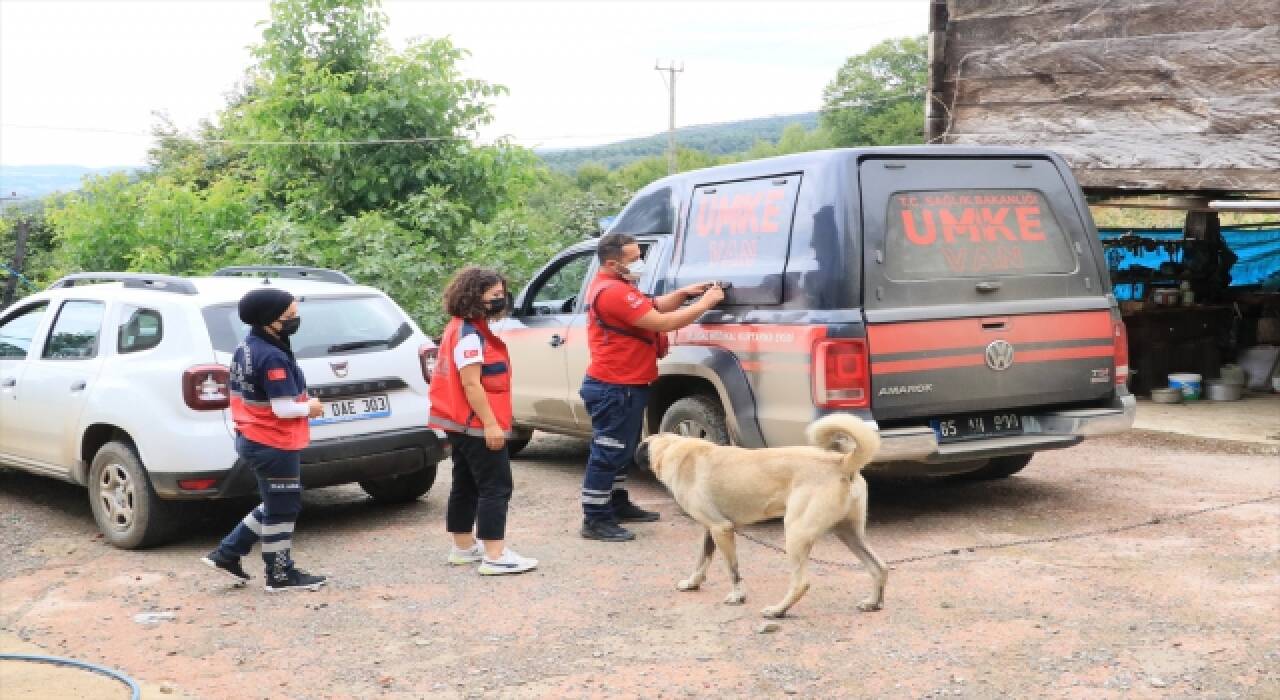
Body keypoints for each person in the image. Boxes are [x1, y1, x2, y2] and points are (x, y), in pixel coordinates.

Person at [580, 232, 725, 542]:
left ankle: (616, 503)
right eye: (633, 259)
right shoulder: (612, 292)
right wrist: (705, 303)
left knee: (621, 450)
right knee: (608, 452)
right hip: (615, 387)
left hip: (627, 384)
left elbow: (654, 305)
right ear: (611, 263)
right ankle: (595, 518)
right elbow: (661, 322)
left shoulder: (620, 287)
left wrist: (684, 293)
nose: (640, 262)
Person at [202, 287, 328, 592]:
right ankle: (279, 574)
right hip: (273, 441)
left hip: (254, 437)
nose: (295, 320)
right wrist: (309, 408)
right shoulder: (271, 356)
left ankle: (227, 555)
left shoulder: (248, 345)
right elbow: (282, 408)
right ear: (270, 319)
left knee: (276, 502)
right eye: (290, 316)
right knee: (283, 508)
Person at [429, 266, 538, 575]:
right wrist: (491, 424)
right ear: (474, 297)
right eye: (495, 296)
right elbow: (472, 384)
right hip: (475, 423)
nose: (501, 301)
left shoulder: (462, 327)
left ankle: (464, 547)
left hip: (459, 422)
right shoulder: (469, 336)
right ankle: (495, 554)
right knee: (496, 486)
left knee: (465, 484)